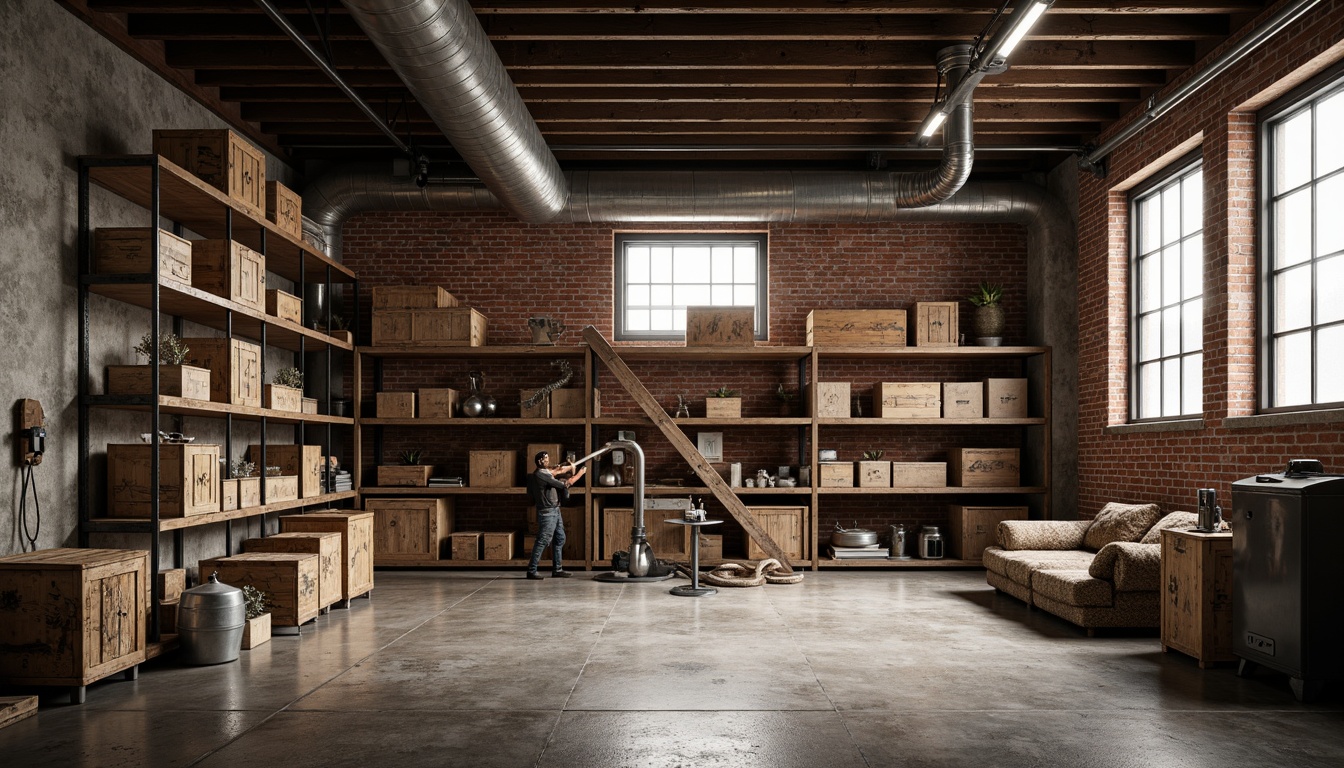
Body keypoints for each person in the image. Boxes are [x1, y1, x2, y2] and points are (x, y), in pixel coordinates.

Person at [525, 450, 585, 579]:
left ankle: (557, 569)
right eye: (545, 458)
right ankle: (532, 570)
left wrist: (568, 467)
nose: (547, 460)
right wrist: (580, 473)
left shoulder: (545, 472)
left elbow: (555, 471)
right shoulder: (541, 475)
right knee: (543, 540)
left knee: (559, 538)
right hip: (548, 512)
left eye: (547, 457)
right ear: (539, 461)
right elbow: (565, 484)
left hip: (555, 510)